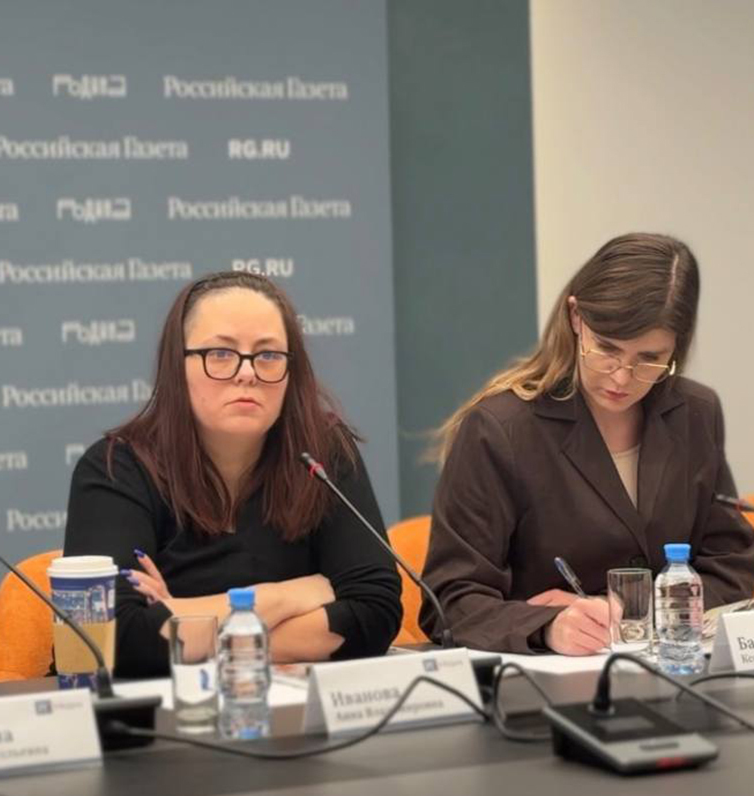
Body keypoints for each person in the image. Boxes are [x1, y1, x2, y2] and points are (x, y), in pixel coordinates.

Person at [421, 233, 754, 654]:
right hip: (547, 679)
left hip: (674, 668)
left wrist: (633, 612)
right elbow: (449, 601)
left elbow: (734, 569)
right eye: (607, 349)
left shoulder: (695, 413)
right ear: (577, 317)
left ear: (676, 348)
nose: (621, 377)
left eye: (649, 359)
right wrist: (548, 626)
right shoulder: (500, 429)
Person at [62, 271, 402, 678]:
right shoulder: (116, 468)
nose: (247, 373)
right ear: (177, 365)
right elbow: (111, 637)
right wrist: (284, 597)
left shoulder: (322, 454)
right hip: (152, 712)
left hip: (289, 708)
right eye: (221, 353)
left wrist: (182, 622)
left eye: (268, 355)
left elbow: (374, 614)